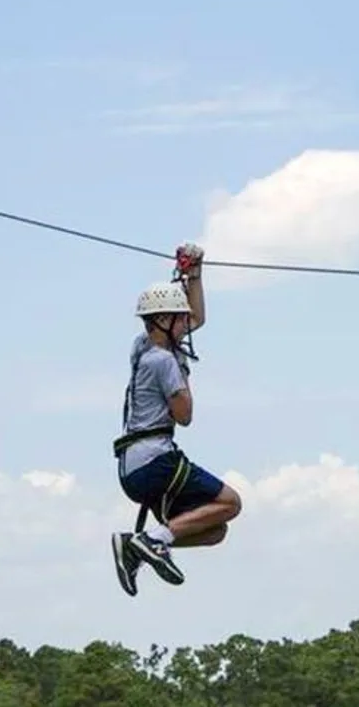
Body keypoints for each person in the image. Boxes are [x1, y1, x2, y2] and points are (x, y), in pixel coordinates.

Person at [111, 244, 242, 596]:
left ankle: (144, 542)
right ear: (165, 320)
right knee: (231, 503)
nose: (189, 324)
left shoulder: (142, 346)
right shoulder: (165, 362)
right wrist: (184, 377)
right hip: (155, 460)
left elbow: (197, 317)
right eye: (181, 318)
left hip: (132, 466)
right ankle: (151, 539)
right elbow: (185, 417)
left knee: (215, 529)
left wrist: (193, 275)